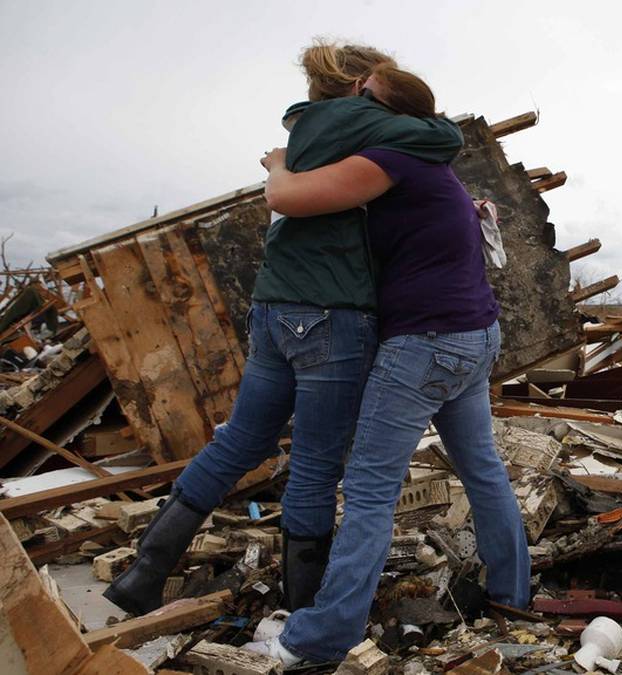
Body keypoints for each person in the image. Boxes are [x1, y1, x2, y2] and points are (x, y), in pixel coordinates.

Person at [104, 41, 464, 617]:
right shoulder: (363, 119)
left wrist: (277, 162)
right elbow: (448, 138)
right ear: (357, 86)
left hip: (274, 305)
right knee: (319, 462)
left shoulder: (302, 125)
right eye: (378, 81)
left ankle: (143, 574)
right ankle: (303, 608)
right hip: (333, 311)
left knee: (239, 442)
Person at [245, 65, 530, 665]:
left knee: (371, 490)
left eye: (362, 98)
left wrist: (277, 161)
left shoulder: (389, 159)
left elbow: (289, 197)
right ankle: (513, 595)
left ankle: (316, 639)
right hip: (474, 335)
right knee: (483, 471)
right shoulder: (432, 161)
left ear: (379, 108)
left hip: (425, 343)